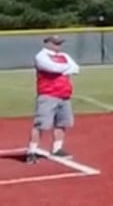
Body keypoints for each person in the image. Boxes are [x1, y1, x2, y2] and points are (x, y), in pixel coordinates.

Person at [26, 35, 80, 164]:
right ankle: (32, 151)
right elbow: (53, 68)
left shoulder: (64, 56)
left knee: (62, 123)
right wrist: (66, 68)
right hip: (48, 94)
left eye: (59, 43)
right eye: (55, 43)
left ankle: (57, 148)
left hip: (64, 94)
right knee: (41, 124)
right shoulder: (41, 56)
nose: (58, 45)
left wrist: (64, 68)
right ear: (47, 43)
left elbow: (76, 68)